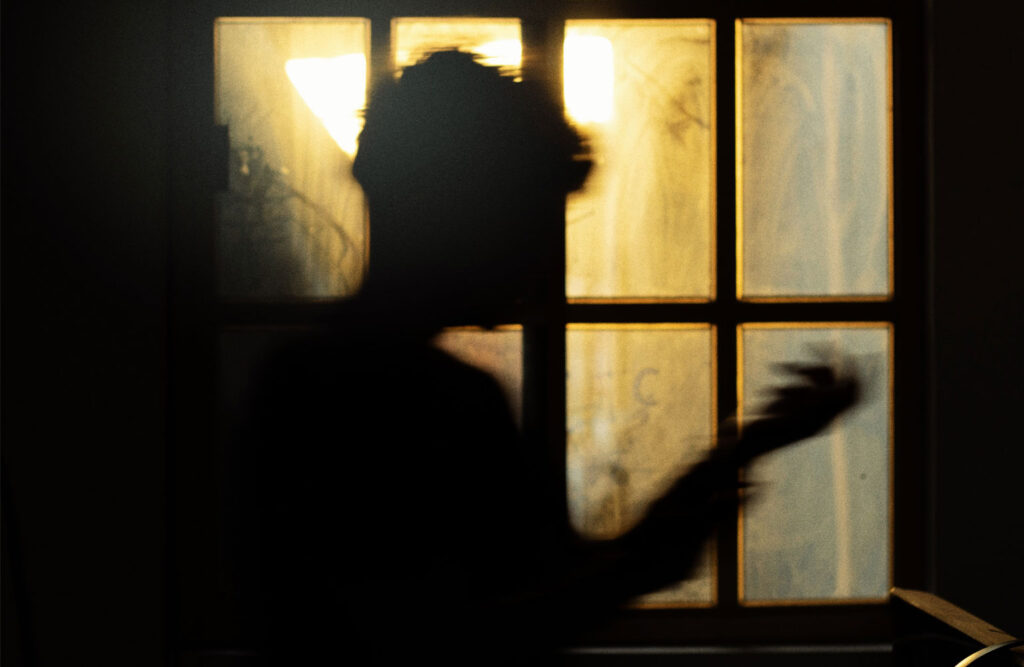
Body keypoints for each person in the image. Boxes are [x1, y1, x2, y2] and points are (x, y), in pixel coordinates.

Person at [240, 50, 858, 666]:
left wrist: (734, 458)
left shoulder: (312, 381)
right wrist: (667, 532)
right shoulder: (417, 397)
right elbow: (462, 633)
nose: (541, 257)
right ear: (464, 215)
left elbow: (525, 589)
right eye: (529, 220)